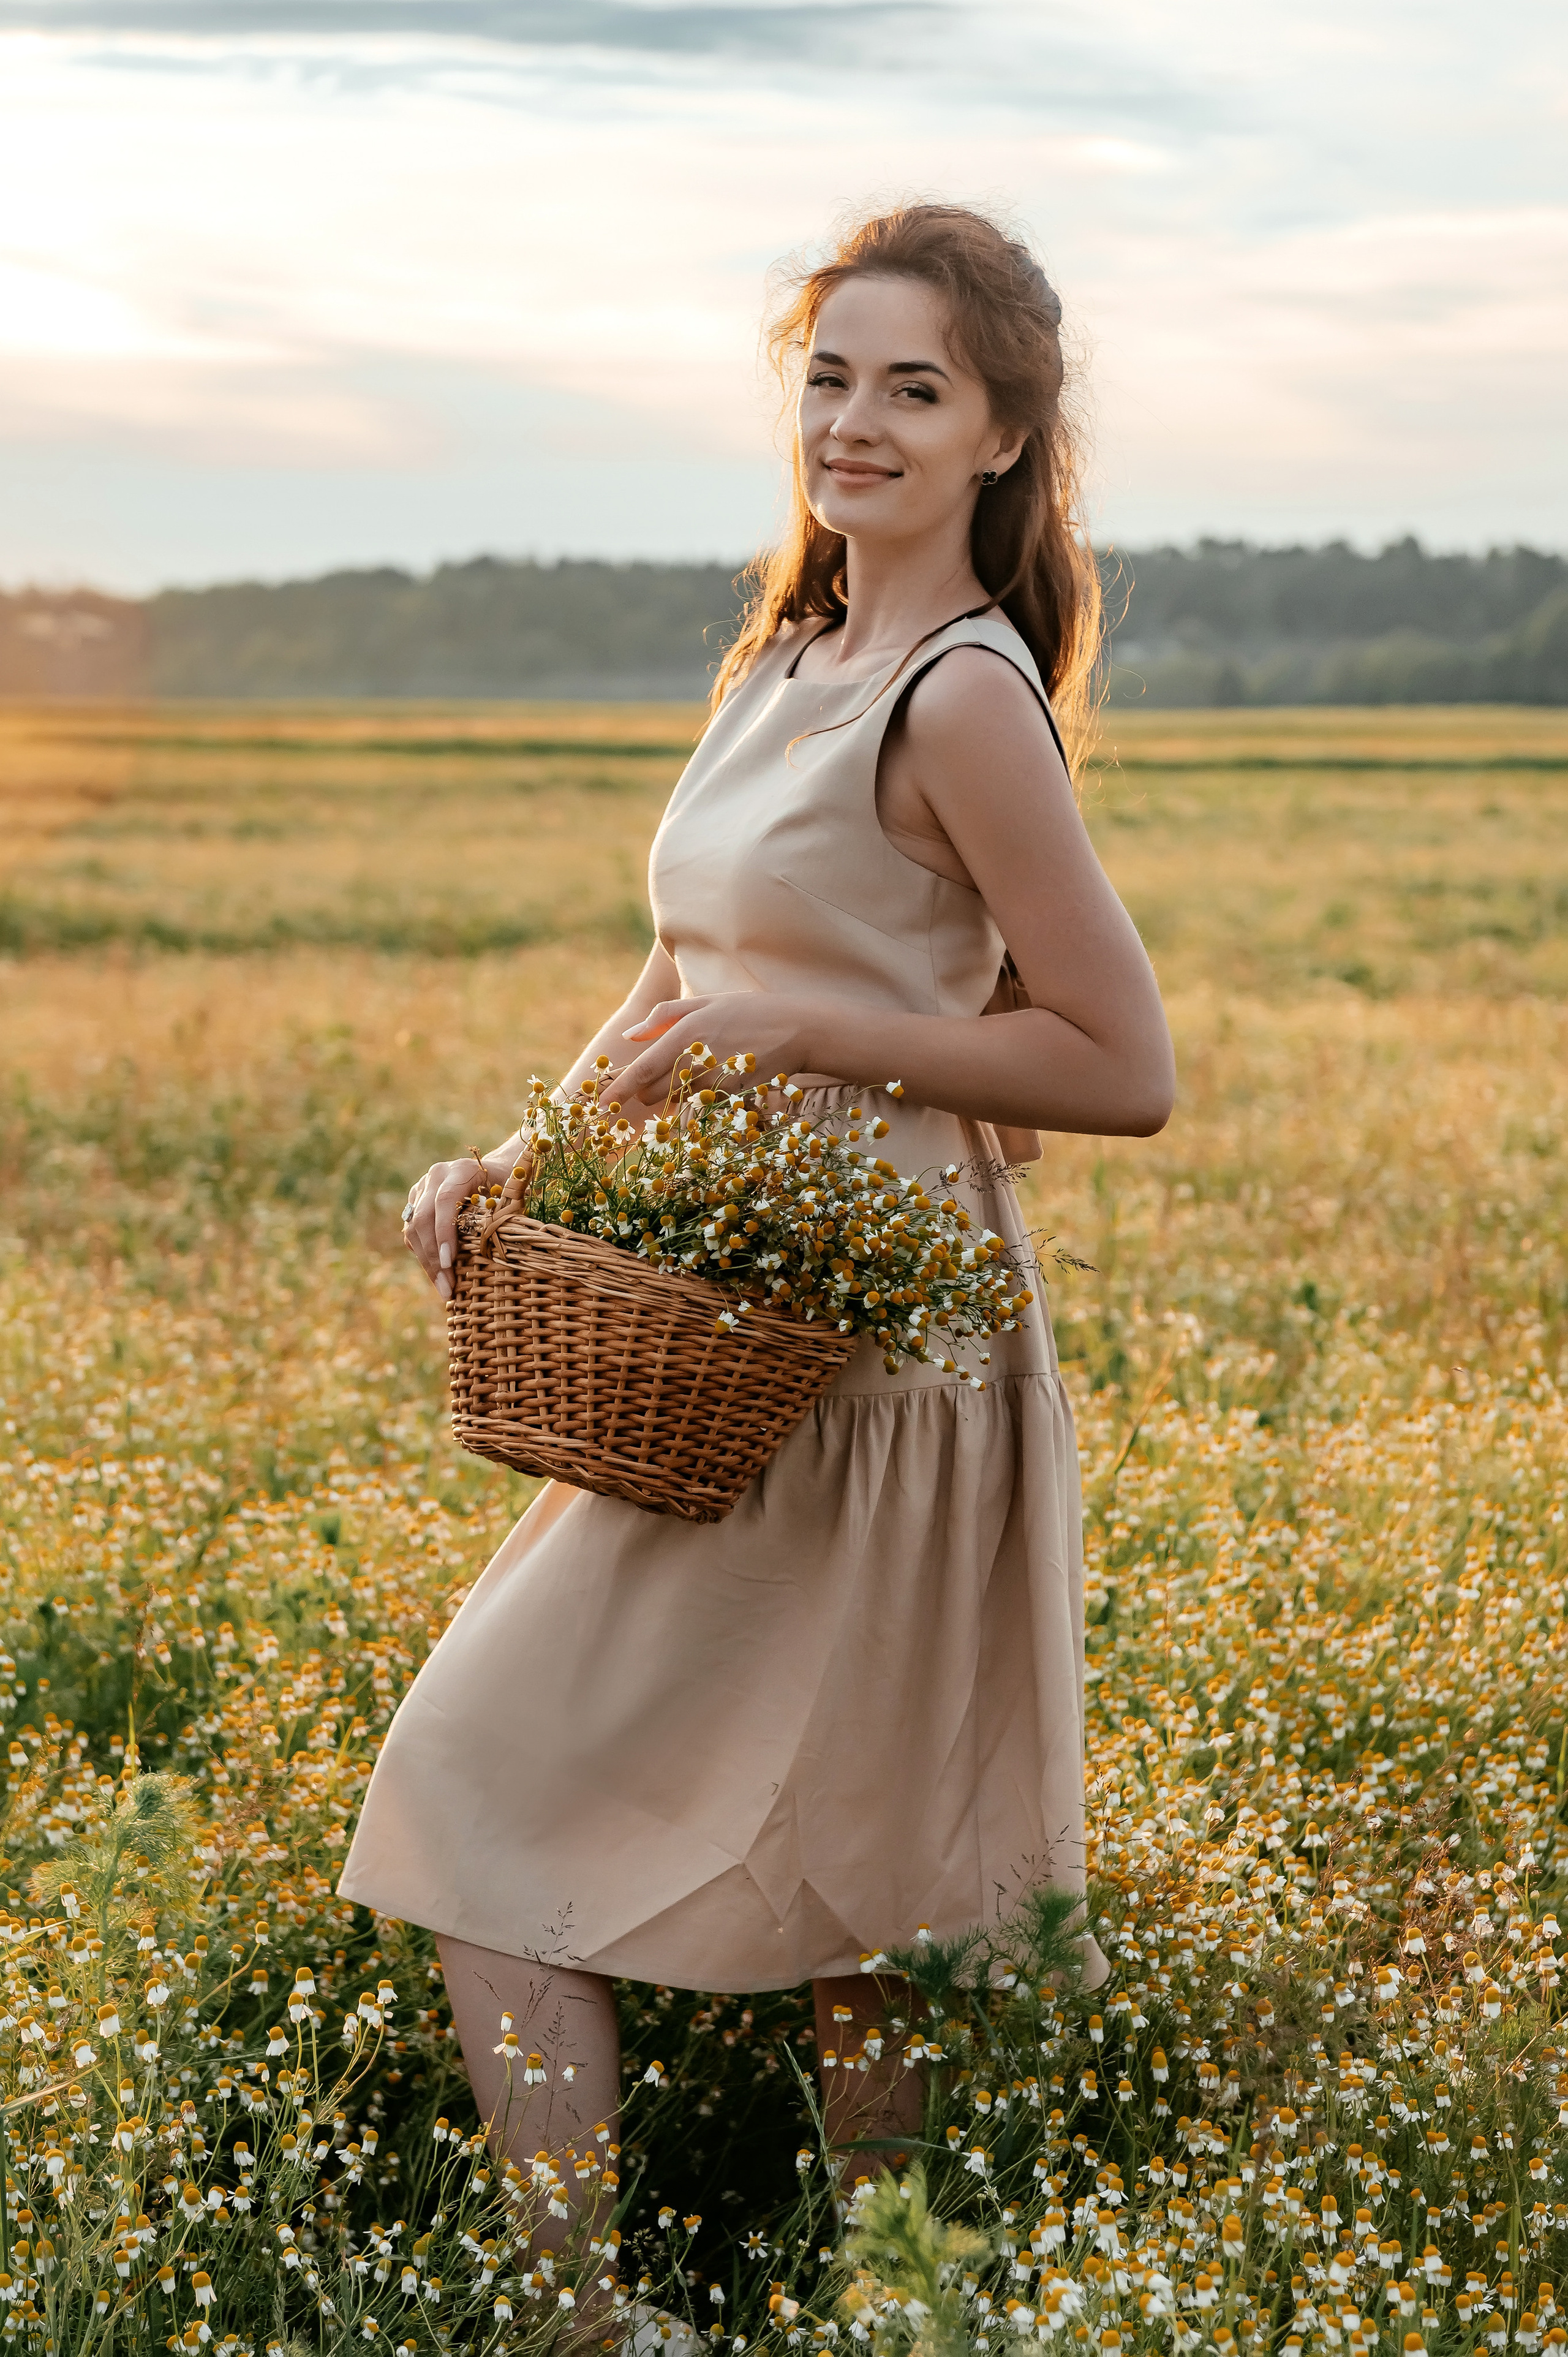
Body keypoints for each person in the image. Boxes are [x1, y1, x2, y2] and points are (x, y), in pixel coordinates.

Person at [340, 202, 1174, 2210]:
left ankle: (875, 2302)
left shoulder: (965, 699)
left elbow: (1119, 1064)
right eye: (830, 378)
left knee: (861, 1871)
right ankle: (595, 2325)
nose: (857, 423)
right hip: (726, 1320)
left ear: (1001, 434)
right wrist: (522, 1157)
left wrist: (814, 1035)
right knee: (482, 1784)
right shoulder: (789, 655)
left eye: (915, 388)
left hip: (891, 1340)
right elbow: (679, 980)